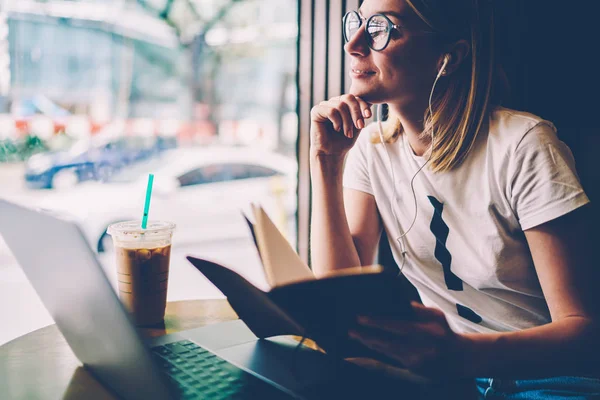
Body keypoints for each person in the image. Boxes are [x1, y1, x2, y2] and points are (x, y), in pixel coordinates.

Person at [309, 0, 600, 398]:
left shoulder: (523, 145)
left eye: (381, 28)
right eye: (356, 23)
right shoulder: (372, 149)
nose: (354, 44)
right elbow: (341, 295)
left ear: (450, 56)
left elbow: (583, 330)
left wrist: (464, 355)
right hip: (452, 379)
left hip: (552, 381)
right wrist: (326, 162)